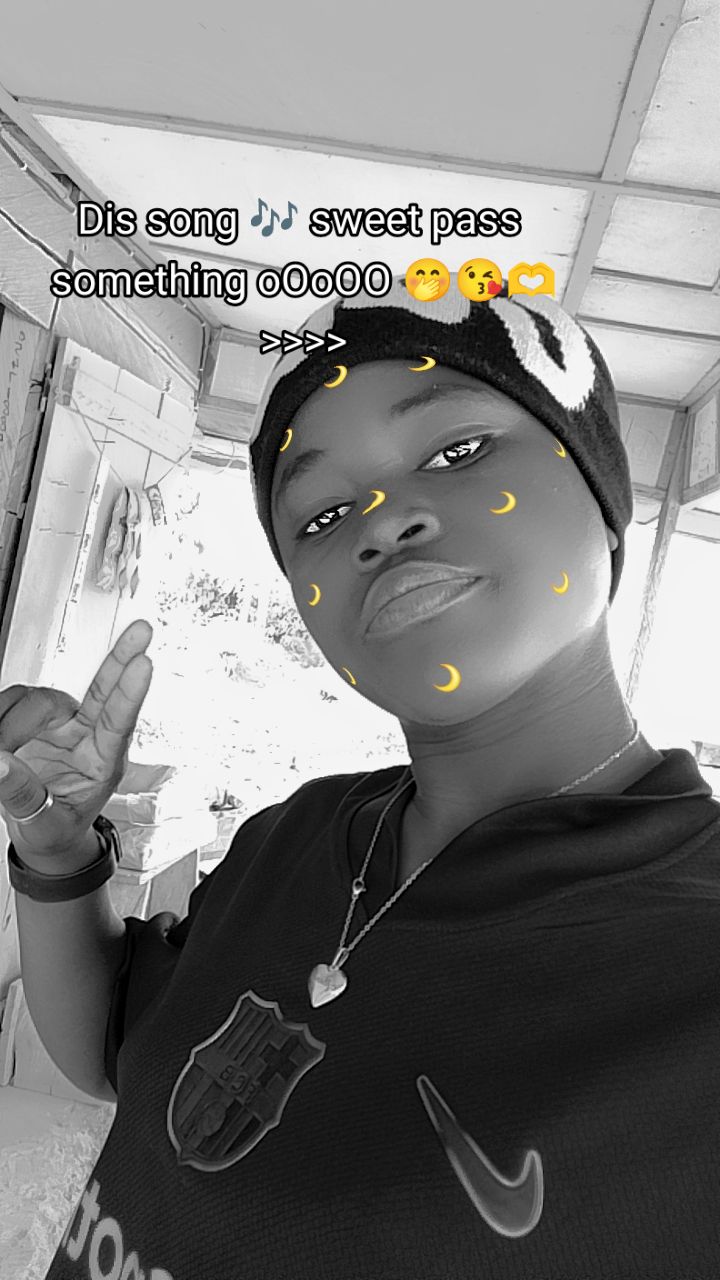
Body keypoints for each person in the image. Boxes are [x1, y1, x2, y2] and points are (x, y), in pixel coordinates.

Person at [3, 278, 720, 1280]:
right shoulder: (295, 835)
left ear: (605, 503)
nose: (381, 525)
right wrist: (56, 850)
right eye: (323, 514)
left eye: (457, 452)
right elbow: (114, 1048)